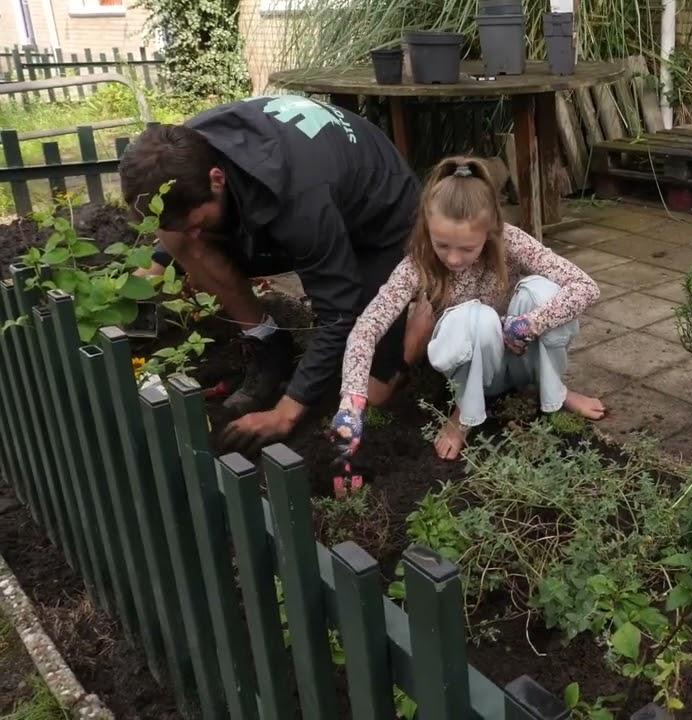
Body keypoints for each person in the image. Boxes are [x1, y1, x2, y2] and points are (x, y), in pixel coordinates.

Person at [119, 95, 432, 451]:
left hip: (380, 222)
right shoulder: (186, 149)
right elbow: (178, 225)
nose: (194, 236)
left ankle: (421, 323)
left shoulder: (300, 202)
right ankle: (266, 341)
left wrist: (286, 412)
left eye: (197, 223)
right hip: (315, 198)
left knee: (372, 390)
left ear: (217, 179)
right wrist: (156, 266)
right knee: (178, 235)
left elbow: (336, 314)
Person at [328, 155, 607, 462]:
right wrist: (351, 402)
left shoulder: (511, 242)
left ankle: (554, 390)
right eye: (442, 245)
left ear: (490, 232)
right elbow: (368, 326)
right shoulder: (418, 263)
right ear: (427, 229)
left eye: (467, 248)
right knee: (476, 317)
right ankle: (465, 413)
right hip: (476, 370)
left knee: (541, 291)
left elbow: (585, 287)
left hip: (520, 357)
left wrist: (531, 323)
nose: (454, 259)